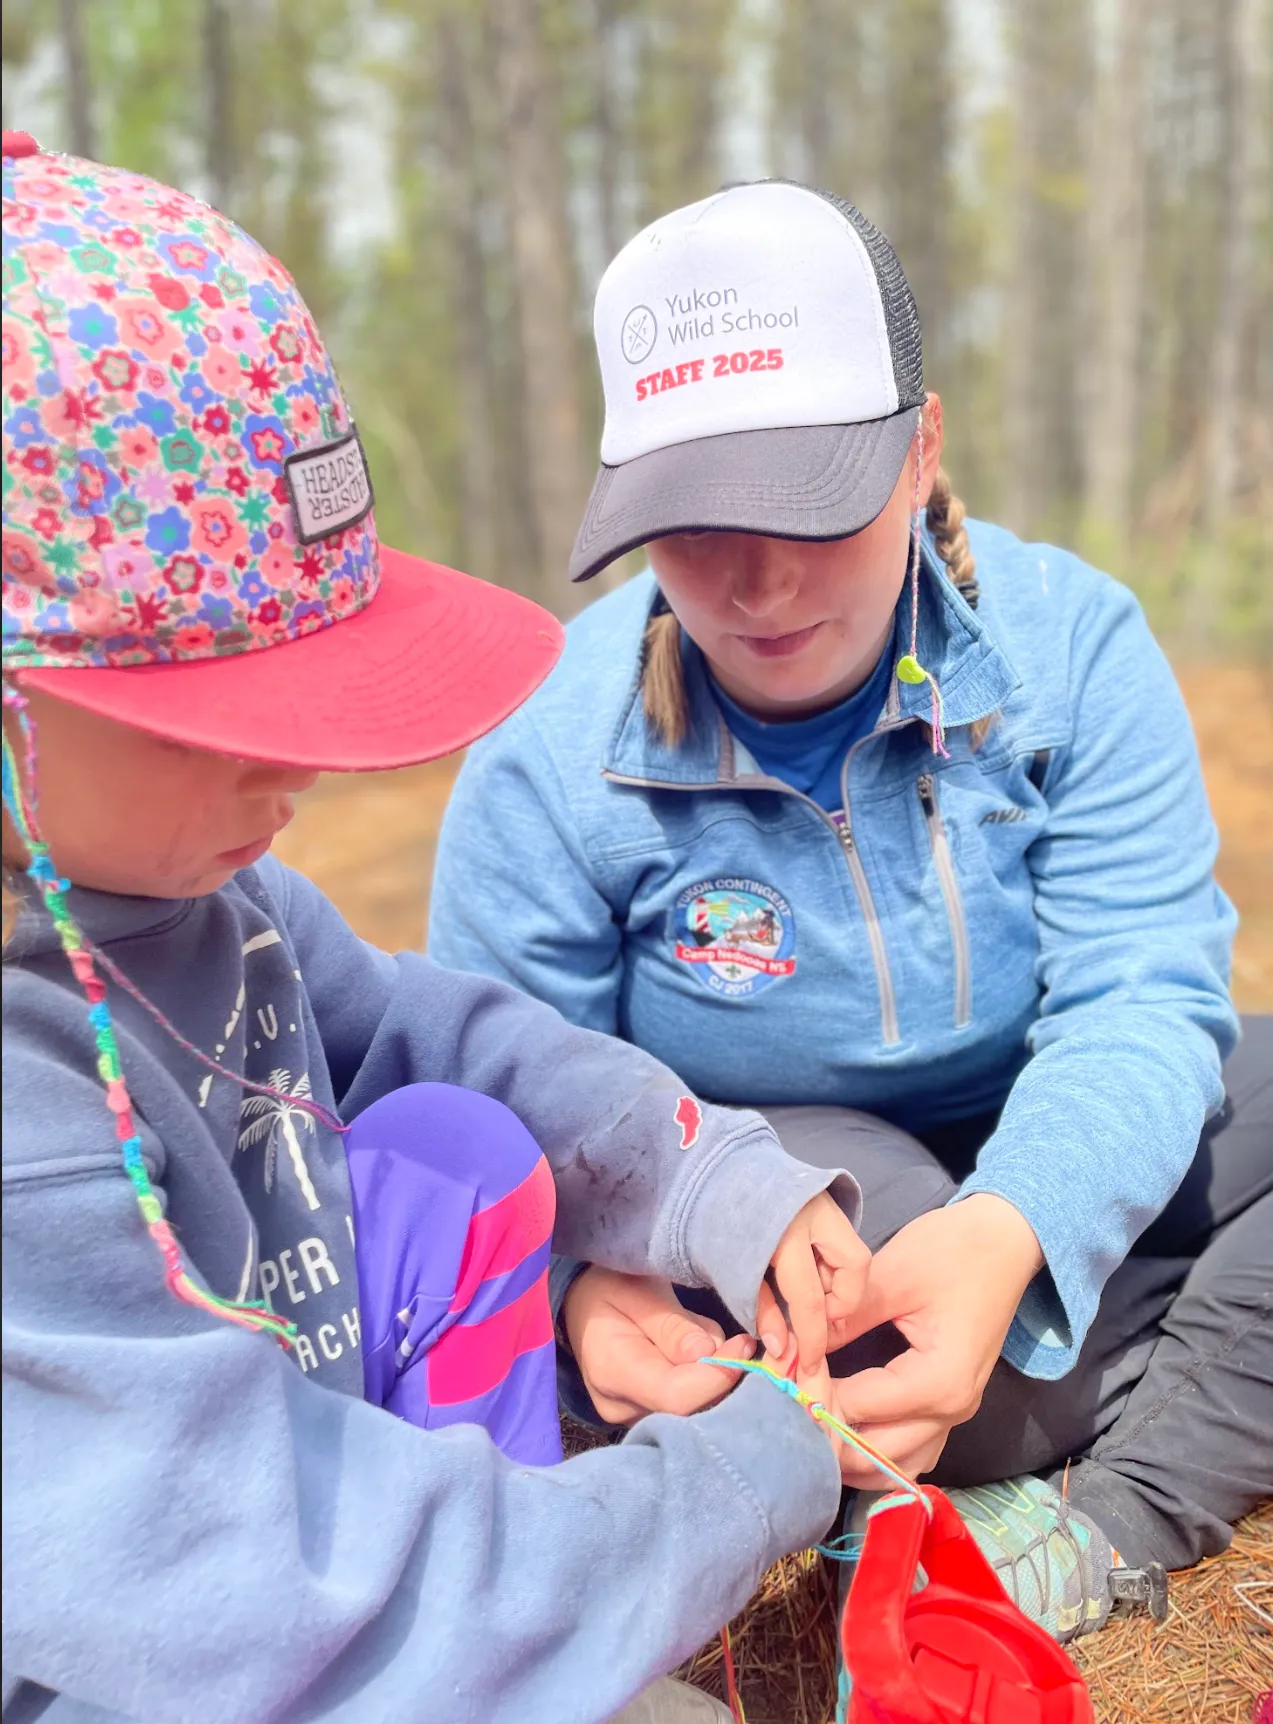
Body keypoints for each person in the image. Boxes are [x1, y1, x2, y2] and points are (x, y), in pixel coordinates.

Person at [0, 139, 874, 1724]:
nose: (305, 770)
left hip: (299, 1531)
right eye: (227, 717)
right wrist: (735, 1483)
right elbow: (254, 1582)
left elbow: (422, 1028)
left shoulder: (193, 885)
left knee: (455, 1134)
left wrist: (706, 1186)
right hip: (187, 1650)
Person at [430, 178, 1273, 1650]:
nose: (753, 585)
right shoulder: (548, 756)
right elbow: (500, 1092)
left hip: (1031, 1107)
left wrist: (1025, 1222)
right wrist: (574, 1284)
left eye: (806, 507)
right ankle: (1075, 1385)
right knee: (893, 1261)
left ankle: (1094, 1522)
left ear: (920, 448)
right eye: (690, 526)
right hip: (779, 1188)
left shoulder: (1068, 651)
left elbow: (1143, 994)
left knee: (1073, 1212)